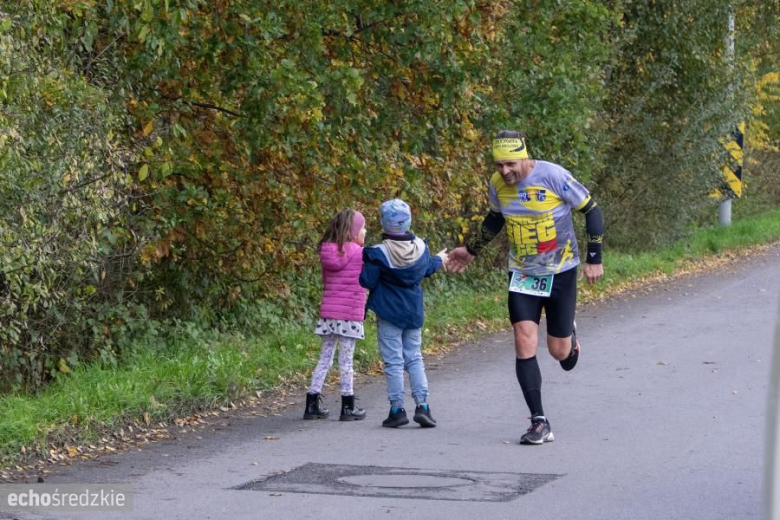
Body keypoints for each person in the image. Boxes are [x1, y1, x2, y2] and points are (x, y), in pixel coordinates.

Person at [448, 130, 604, 445]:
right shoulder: (497, 184)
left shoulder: (553, 176)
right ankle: (539, 421)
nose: (505, 171)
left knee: (560, 353)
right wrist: (472, 249)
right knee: (523, 340)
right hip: (522, 274)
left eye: (510, 164)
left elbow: (592, 209)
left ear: (524, 157)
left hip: (560, 271)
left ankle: (570, 336)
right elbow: (495, 219)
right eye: (499, 165)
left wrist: (594, 258)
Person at [360, 199, 448, 428]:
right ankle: (423, 406)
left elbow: (367, 281)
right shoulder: (420, 248)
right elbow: (426, 269)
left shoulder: (378, 253)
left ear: (383, 222)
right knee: (415, 357)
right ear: (409, 221)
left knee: (393, 362)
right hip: (413, 311)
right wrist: (439, 259)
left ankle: (397, 409)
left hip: (389, 312)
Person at [304, 209, 368, 422]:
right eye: (363, 228)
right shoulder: (361, 253)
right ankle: (347, 406)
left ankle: (312, 403)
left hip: (329, 314)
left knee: (325, 358)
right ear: (353, 231)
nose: (365, 231)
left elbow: (326, 281)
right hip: (349, 314)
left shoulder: (327, 252)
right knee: (346, 361)